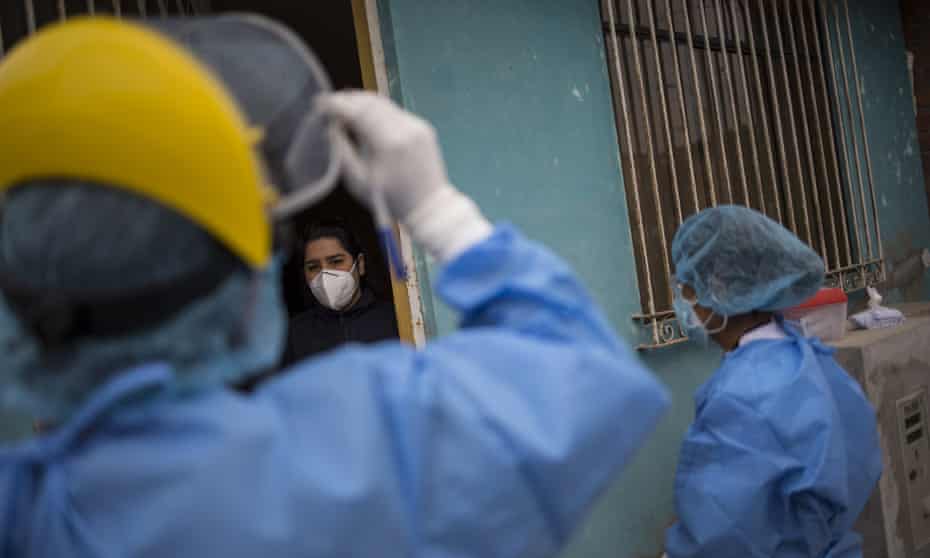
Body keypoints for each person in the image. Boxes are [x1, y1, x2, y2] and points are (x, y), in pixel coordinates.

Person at [0, 16, 669, 557]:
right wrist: (436, 207)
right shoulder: (374, 450)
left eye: (334, 263)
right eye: (308, 265)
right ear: (251, 287)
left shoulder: (28, 517)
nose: (324, 277)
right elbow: (578, 370)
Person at [664, 206, 882, 558]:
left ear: (718, 291)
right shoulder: (815, 363)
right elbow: (859, 467)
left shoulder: (738, 399)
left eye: (688, 290)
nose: (684, 303)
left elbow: (721, 535)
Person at [281, 220, 398, 366]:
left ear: (360, 264)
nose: (325, 274)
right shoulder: (295, 334)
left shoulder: (396, 318)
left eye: (336, 261)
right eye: (313, 267)